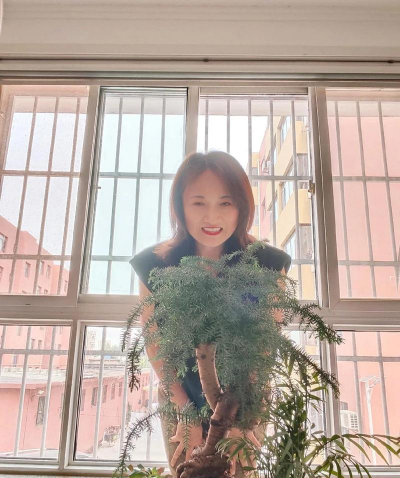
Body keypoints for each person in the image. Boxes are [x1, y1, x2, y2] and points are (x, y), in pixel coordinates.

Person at [129, 151, 291, 477]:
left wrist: (240, 418)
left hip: (247, 393)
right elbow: (155, 343)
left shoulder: (268, 263)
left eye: (225, 203)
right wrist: (186, 412)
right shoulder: (154, 264)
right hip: (180, 393)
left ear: (241, 207)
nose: (212, 216)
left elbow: (264, 347)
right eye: (199, 203)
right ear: (180, 207)